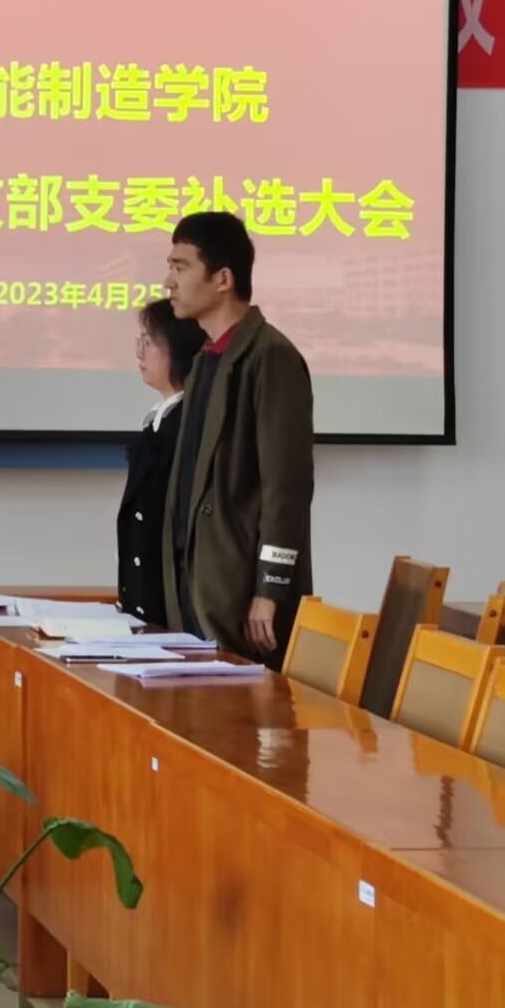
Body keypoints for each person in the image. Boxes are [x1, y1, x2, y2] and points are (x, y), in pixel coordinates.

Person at [161, 211, 314, 667]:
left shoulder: (271, 357)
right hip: (195, 584)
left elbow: (287, 487)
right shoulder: (205, 360)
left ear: (223, 279)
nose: (169, 282)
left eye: (181, 267)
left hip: (240, 594)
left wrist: (270, 589)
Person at [117, 298, 207, 626]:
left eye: (151, 341)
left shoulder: (189, 425)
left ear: (180, 348)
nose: (140, 354)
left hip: (173, 603)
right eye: (140, 341)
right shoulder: (158, 420)